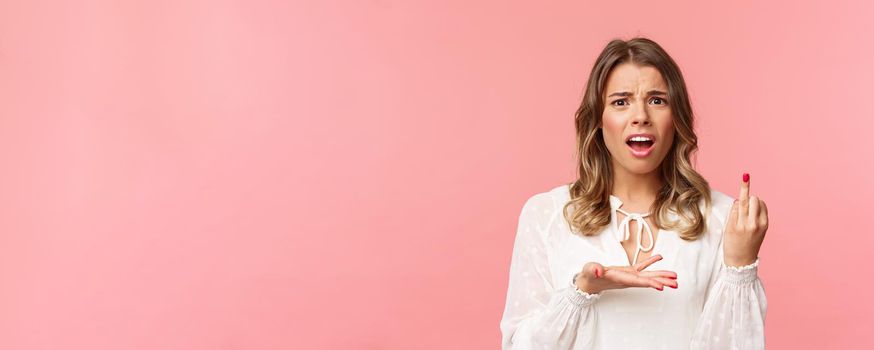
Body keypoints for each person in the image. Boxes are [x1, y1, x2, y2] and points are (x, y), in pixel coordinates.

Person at [499, 37, 769, 349]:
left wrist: (739, 263)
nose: (640, 115)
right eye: (620, 101)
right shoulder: (547, 214)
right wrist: (581, 291)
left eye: (657, 100)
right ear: (598, 120)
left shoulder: (721, 218)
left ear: (676, 118)